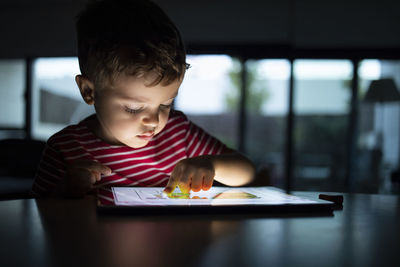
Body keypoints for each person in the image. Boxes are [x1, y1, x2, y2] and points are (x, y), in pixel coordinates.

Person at [31, 0, 255, 198]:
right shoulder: (65, 148)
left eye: (166, 104)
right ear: (89, 91)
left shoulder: (178, 133)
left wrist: (211, 164)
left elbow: (246, 170)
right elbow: (35, 213)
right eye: (134, 108)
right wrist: (64, 190)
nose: (154, 120)